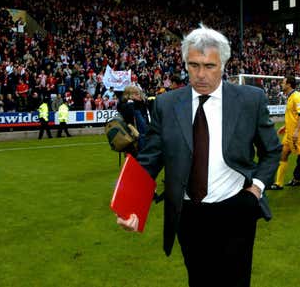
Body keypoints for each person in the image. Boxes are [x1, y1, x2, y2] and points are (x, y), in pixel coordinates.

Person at [116, 25, 281, 287]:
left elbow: (272, 150)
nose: (201, 75)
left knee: (235, 281)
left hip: (236, 208)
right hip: (188, 213)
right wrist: (131, 205)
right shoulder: (167, 105)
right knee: (199, 280)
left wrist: (256, 189)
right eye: (193, 65)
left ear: (223, 64)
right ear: (185, 63)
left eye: (209, 66)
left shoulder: (250, 100)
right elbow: (149, 159)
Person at [270, 75, 300, 195]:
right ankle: (279, 183)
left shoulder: (297, 97)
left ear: (288, 84)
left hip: (298, 135)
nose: (281, 84)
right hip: (289, 134)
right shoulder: (291, 96)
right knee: (283, 154)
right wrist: (286, 127)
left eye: (283, 83)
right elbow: (294, 116)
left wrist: (297, 130)